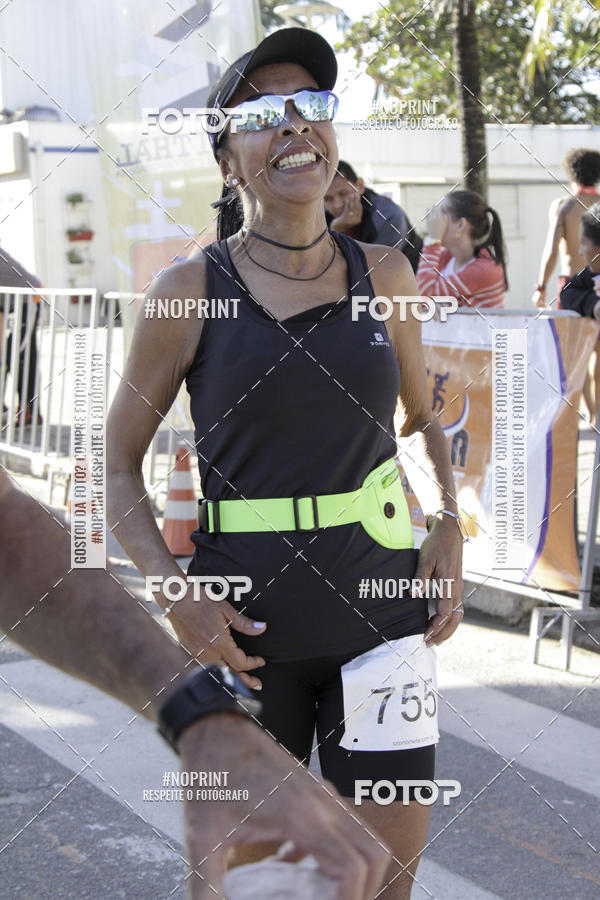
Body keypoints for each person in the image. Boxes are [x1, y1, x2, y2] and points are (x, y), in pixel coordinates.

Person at [107, 27, 464, 899]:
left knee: (383, 884)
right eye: (264, 114)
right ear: (229, 158)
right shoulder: (187, 291)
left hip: (382, 628)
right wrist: (172, 588)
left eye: (312, 105)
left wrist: (450, 519)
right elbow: (114, 466)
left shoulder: (387, 272)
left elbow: (422, 419)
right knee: (261, 888)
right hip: (244, 640)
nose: (294, 126)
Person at [0, 466, 389, 900]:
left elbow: (7, 538)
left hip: (376, 607)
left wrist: (203, 715)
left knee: (367, 869)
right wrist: (174, 591)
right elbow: (115, 464)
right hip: (257, 619)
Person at [532, 149, 600, 421]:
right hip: (595, 280)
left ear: (571, 173)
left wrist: (540, 287)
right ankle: (598, 416)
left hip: (572, 286)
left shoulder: (564, 206)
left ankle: (590, 412)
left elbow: (550, 250)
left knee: (576, 357)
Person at [324, 160, 423, 272]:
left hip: (409, 279)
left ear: (360, 186)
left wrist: (334, 234)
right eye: (328, 199)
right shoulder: (321, 214)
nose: (337, 205)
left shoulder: (388, 217)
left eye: (343, 193)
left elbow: (374, 271)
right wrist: (336, 230)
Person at [416, 189, 507, 309]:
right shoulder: (446, 256)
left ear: (460, 225)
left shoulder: (485, 269)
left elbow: (422, 293)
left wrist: (433, 240)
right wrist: (431, 304)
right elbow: (418, 299)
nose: (434, 220)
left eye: (441, 213)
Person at [0, 245, 43, 427]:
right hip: (8, 304)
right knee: (5, 356)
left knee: (16, 356)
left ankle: (30, 411)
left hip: (28, 301)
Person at [560, 203, 600, 320]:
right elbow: (567, 292)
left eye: (583, 243)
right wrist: (594, 304)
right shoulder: (592, 273)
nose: (580, 251)